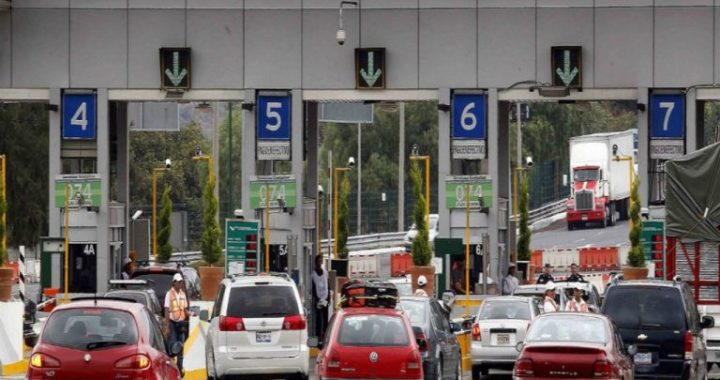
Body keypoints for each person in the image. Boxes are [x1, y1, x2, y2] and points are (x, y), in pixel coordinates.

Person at [164, 273, 189, 377]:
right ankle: (172, 370)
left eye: (181, 282)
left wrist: (191, 314)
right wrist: (166, 326)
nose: (180, 283)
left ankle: (179, 369)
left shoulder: (183, 294)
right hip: (173, 324)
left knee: (181, 348)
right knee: (173, 347)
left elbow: (185, 309)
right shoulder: (169, 294)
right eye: (178, 282)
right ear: (174, 283)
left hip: (181, 324)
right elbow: (166, 310)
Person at [311, 255, 330, 344]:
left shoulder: (325, 273)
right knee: (319, 319)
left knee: (325, 318)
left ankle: (325, 336)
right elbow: (313, 287)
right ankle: (318, 337)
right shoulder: (313, 274)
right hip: (318, 299)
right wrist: (316, 299)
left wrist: (329, 298)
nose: (320, 262)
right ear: (316, 262)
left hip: (325, 298)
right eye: (318, 261)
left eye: (321, 261)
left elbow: (328, 286)